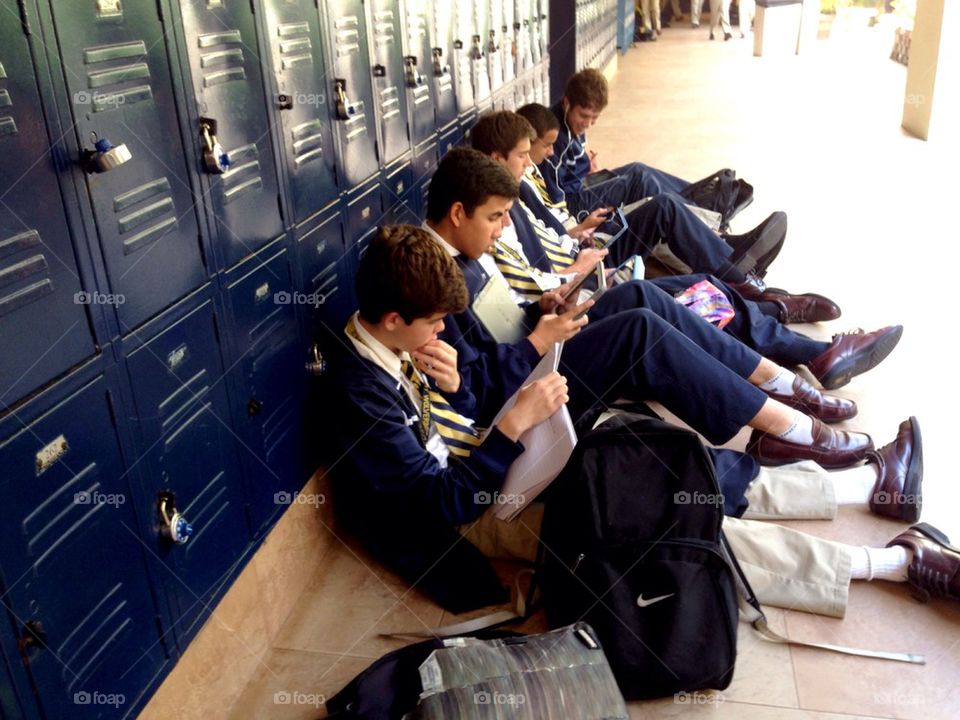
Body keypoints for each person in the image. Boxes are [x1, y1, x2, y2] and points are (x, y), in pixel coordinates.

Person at [326, 224, 956, 620]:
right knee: (654, 512)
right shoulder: (364, 398)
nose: (444, 334)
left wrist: (462, 389)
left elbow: (450, 426)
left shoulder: (398, 345)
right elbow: (441, 504)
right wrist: (514, 424)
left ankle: (858, 487)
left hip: (494, 461)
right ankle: (893, 567)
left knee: (653, 452)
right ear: (388, 319)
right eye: (434, 324)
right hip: (480, 513)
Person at [473, 108, 903, 391]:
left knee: (699, 281)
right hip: (569, 292)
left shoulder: (508, 197)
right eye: (524, 155)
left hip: (574, 265)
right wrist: (570, 269)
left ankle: (772, 309)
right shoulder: (486, 225)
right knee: (669, 285)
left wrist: (576, 240)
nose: (533, 162)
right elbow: (523, 305)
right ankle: (774, 311)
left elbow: (536, 263)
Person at [540, 70, 786, 278]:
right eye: (584, 116)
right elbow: (557, 199)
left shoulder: (572, 121)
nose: (588, 124)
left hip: (583, 182)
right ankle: (712, 224)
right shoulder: (553, 138)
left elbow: (574, 158)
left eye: (594, 118)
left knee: (639, 169)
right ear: (566, 103)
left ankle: (708, 215)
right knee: (640, 180)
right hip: (574, 201)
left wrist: (587, 165)